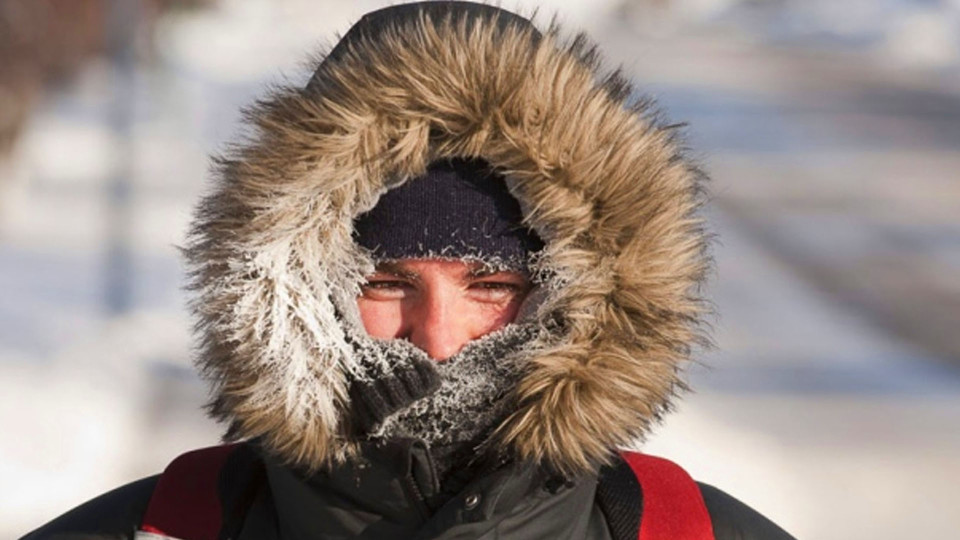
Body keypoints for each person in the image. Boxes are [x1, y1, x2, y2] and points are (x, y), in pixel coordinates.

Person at [23, 2, 796, 539]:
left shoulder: (683, 531)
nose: (437, 337)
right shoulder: (160, 528)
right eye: (386, 283)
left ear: (578, 298)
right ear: (296, 291)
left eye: (491, 285)